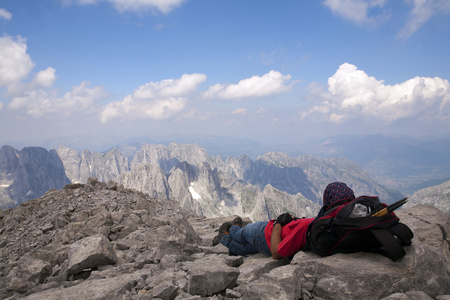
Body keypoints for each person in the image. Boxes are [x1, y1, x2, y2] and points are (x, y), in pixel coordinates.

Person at [212, 181, 356, 259]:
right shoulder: (341, 227)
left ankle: (231, 229)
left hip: (265, 233)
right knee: (245, 249)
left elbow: (276, 253)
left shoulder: (311, 226)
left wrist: (278, 223)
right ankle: (224, 239)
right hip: (270, 244)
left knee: (241, 234)